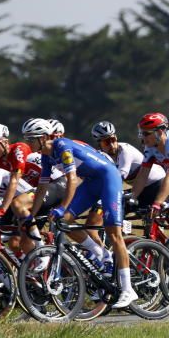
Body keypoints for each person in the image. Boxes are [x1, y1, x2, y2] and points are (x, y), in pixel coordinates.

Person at [27, 121, 138, 309]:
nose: (28, 142)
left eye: (31, 139)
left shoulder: (61, 146)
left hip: (108, 178)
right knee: (64, 222)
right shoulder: (46, 156)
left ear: (43, 137)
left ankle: (128, 289)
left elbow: (71, 180)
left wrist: (62, 206)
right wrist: (32, 215)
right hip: (91, 182)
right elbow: (42, 188)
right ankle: (101, 254)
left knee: (113, 232)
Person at [91, 121, 166, 208]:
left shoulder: (125, 150)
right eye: (106, 142)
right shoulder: (102, 156)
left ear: (116, 137)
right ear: (99, 144)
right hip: (142, 187)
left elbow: (122, 175)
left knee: (115, 206)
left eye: (113, 140)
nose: (112, 145)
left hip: (157, 182)